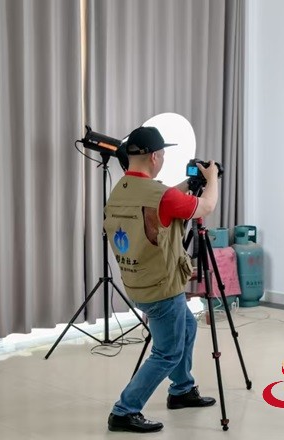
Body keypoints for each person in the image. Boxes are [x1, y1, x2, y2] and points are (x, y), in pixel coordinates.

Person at [103, 126, 218, 433]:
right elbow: (206, 206)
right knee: (167, 352)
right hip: (162, 288)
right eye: (163, 153)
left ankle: (182, 390)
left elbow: (162, 201)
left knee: (187, 326)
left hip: (136, 282)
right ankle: (125, 410)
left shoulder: (121, 190)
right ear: (155, 157)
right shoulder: (159, 195)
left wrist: (190, 183)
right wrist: (212, 179)